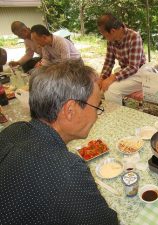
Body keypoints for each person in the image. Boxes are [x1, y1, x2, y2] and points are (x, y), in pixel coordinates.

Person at [0, 60, 119, 224]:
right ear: (70, 110)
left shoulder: (14, 130)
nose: (97, 116)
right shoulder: (66, 170)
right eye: (97, 106)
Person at [97, 13, 146, 105]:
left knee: (111, 90)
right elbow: (109, 62)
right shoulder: (111, 40)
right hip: (125, 71)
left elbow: (133, 67)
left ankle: (116, 116)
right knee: (103, 87)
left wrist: (112, 77)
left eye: (104, 34)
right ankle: (119, 107)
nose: (104, 37)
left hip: (140, 72)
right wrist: (102, 78)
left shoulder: (134, 37)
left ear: (112, 31)